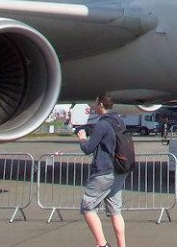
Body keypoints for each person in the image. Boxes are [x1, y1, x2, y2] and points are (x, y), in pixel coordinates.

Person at [76, 94, 127, 247]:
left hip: (104, 171)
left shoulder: (102, 124)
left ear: (101, 105)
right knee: (115, 211)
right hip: (119, 170)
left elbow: (88, 148)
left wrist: (82, 137)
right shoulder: (119, 121)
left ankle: (102, 244)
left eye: (96, 103)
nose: (94, 106)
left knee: (88, 207)